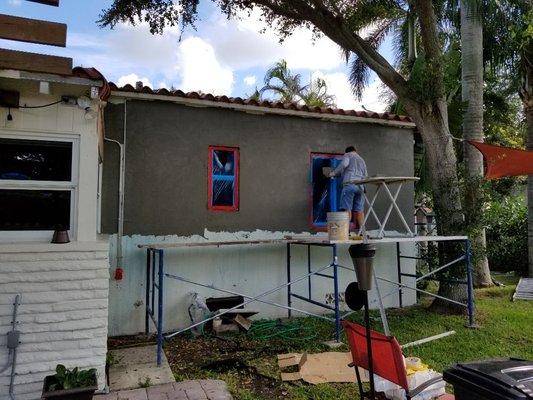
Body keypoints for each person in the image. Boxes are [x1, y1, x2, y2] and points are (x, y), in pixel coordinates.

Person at [329, 146, 367, 231]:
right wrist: (364, 187)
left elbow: (344, 164)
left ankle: (346, 231)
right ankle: (363, 232)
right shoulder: (361, 159)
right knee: (359, 210)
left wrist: (333, 173)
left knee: (347, 208)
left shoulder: (347, 155)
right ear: (355, 151)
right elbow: (365, 175)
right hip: (360, 187)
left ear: (346, 152)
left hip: (350, 184)